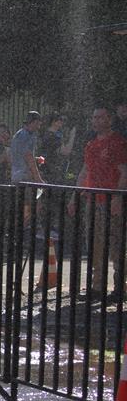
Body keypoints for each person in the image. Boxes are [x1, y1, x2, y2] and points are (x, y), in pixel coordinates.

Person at [71, 107, 127, 300]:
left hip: (110, 199)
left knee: (116, 242)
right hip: (93, 200)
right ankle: (97, 286)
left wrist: (118, 197)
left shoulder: (117, 142)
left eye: (100, 117)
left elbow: (123, 171)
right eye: (94, 117)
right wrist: (74, 197)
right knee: (94, 242)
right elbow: (84, 171)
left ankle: (121, 286)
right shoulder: (91, 144)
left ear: (109, 119)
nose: (95, 121)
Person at [40, 112, 77, 185]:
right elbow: (66, 151)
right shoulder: (53, 137)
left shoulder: (46, 134)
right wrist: (72, 135)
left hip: (45, 168)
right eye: (60, 120)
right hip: (53, 171)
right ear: (54, 122)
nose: (62, 122)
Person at [10, 111, 44, 185]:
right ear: (34, 122)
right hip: (23, 175)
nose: (39, 127)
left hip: (17, 173)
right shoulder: (25, 136)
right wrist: (38, 178)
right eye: (38, 124)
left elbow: (20, 155)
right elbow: (28, 156)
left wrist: (36, 159)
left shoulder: (21, 134)